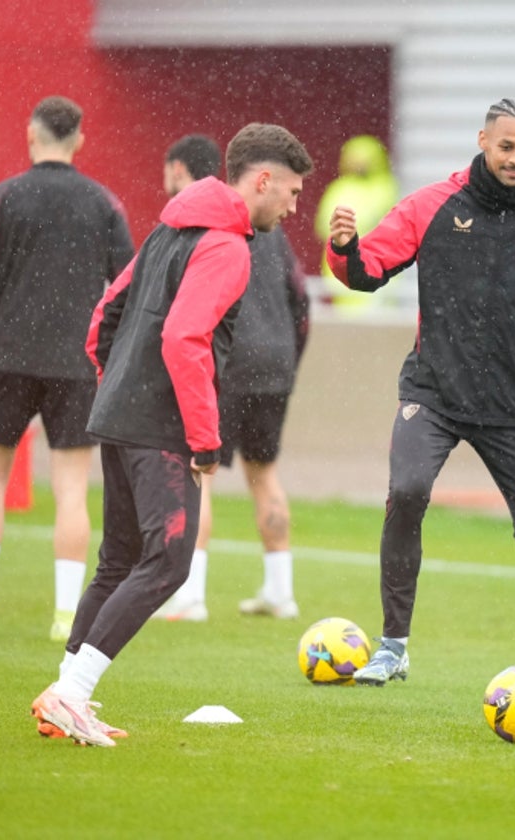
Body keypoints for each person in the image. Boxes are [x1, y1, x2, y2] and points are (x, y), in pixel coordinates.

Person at [29, 123, 313, 746]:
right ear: (261, 180)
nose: (294, 207)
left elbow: (105, 315)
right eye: (291, 193)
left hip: (121, 414)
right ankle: (72, 695)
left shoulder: (169, 226)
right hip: (160, 426)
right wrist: (204, 439)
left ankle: (64, 692)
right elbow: (184, 338)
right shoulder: (229, 247)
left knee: (118, 563)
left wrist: (115, 385)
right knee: (167, 565)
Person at [326, 98, 515, 687]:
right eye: (506, 146)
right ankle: (394, 645)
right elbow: (367, 270)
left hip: (511, 410)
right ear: (483, 140)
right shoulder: (433, 205)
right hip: (431, 393)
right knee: (406, 490)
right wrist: (345, 248)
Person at [0, 96, 135, 641]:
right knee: (72, 489)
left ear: (31, 135)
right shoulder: (104, 203)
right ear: (79, 140)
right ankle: (64, 615)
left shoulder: (2, 197)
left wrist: (0, 328)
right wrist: (97, 343)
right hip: (76, 361)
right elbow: (126, 283)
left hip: (11, 355)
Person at [151, 136, 310, 623]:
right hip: (275, 364)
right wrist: (287, 357)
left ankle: (190, 594)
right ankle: (280, 591)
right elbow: (300, 299)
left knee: (202, 473)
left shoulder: (212, 225)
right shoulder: (275, 229)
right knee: (264, 474)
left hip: (230, 364)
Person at [313, 135, 399, 311]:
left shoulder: (385, 187)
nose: (360, 163)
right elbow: (324, 227)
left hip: (379, 274)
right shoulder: (339, 188)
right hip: (343, 274)